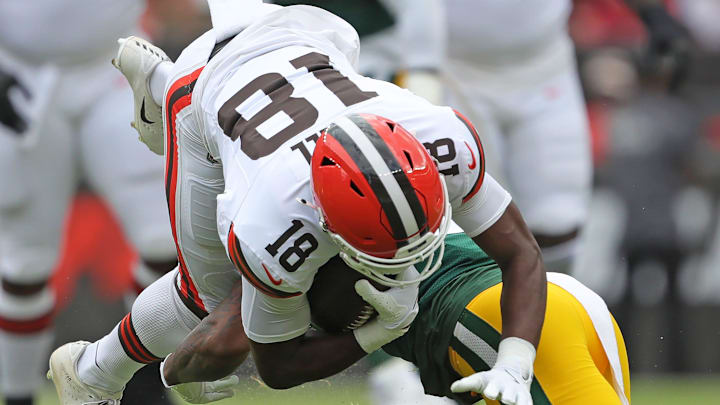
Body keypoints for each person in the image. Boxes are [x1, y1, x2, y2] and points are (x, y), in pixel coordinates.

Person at [48, 2, 546, 404]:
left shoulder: (441, 136)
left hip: (302, 37)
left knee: (230, 314)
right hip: (205, 99)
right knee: (207, 297)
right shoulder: (273, 219)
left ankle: (161, 78)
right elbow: (277, 368)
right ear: (322, 216)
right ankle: (91, 373)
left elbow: (522, 252)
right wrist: (376, 335)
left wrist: (516, 363)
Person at [163, 228, 632, 405]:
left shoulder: (280, 232)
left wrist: (178, 376)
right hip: (551, 304)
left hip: (489, 319)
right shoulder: (389, 178)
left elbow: (214, 353)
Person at [0, 1, 178, 404]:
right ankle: (17, 397)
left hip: (116, 64)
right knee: (24, 262)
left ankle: (140, 374)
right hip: (17, 70)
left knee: (163, 239)